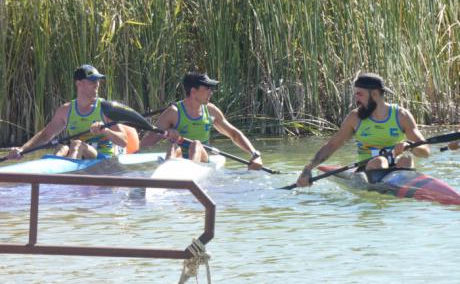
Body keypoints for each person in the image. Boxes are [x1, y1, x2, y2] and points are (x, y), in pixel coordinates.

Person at [296, 73, 430, 187]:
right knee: (379, 161)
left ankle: (401, 186)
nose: (356, 99)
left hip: (398, 166)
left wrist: (410, 146)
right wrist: (308, 168)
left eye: (359, 94)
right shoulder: (355, 118)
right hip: (367, 169)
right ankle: (384, 188)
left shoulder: (401, 115)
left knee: (406, 158)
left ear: (375, 94)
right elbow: (332, 145)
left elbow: (425, 152)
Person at [140, 72, 263, 169]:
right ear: (193, 91)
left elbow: (234, 134)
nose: (211, 92)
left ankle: (191, 173)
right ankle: (168, 174)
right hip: (179, 157)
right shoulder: (173, 113)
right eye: (207, 88)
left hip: (202, 158)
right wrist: (167, 133)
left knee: (196, 144)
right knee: (173, 146)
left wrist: (255, 154)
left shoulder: (210, 111)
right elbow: (148, 141)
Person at [7, 64, 128, 160]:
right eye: (92, 81)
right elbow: (45, 135)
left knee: (76, 144)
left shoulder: (105, 108)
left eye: (98, 81)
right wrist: (22, 150)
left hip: (102, 158)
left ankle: (69, 179)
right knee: (62, 147)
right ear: (79, 83)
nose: (97, 84)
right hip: (78, 154)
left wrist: (105, 130)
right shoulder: (65, 110)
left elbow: (124, 141)